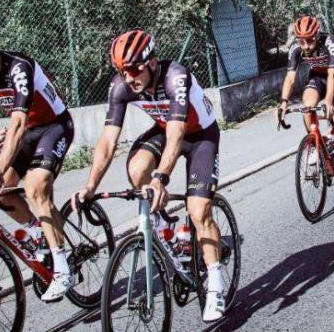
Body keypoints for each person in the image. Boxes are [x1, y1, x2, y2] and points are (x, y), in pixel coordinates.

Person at [70, 30, 227, 322]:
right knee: (137, 168)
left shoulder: (176, 77)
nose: (129, 78)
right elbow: (107, 142)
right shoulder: (121, 86)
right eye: (122, 71)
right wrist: (90, 185)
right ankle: (164, 227)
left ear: (152, 62)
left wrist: (161, 179)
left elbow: (177, 134)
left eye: (134, 69)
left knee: (198, 210)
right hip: (164, 129)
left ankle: (216, 283)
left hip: (199, 134)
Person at [0, 19, 75, 301]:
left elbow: (20, 123)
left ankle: (63, 268)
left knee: (35, 188)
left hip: (53, 126)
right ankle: (38, 232)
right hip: (21, 133)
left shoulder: (20, 68)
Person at [277, 16, 334, 187]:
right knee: (307, 106)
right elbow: (290, 78)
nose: (306, 46)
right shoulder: (296, 48)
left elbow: (333, 74)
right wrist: (283, 102)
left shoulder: (329, 42)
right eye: (302, 41)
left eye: (309, 41)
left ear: (317, 34)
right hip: (317, 77)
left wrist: (328, 101)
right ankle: (315, 145)